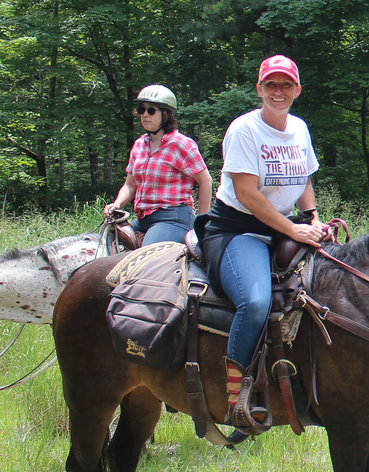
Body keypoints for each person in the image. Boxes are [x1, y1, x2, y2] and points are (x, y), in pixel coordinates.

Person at [196, 55, 329, 426]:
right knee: (254, 302)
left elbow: (304, 181)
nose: (278, 91)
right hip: (239, 230)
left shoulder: (299, 129)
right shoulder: (244, 130)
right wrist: (293, 230)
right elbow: (248, 194)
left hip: (284, 226)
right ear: (259, 89)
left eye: (286, 84)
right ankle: (235, 392)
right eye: (271, 84)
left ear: (297, 90)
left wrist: (313, 217)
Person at [104, 85, 213, 246]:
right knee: (108, 243)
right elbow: (130, 185)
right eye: (142, 110)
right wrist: (117, 204)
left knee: (147, 257)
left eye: (151, 110)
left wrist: (202, 222)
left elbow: (205, 181)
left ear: (166, 114)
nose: (145, 115)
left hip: (174, 218)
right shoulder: (139, 145)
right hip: (143, 219)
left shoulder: (180, 144)